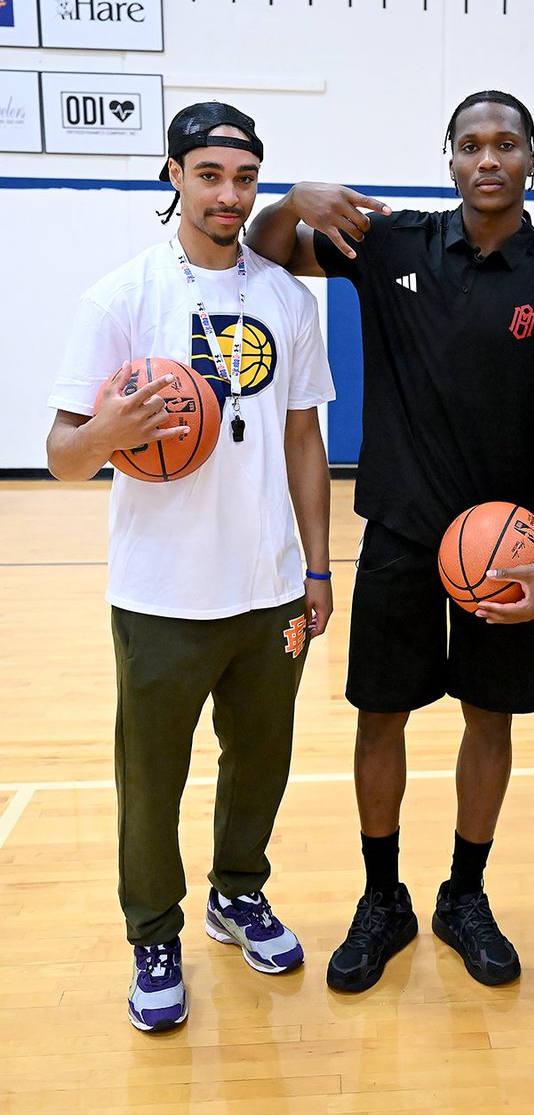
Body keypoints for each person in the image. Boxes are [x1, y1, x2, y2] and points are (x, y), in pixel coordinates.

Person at [246, 89, 534, 992]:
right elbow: (262, 253)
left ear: (531, 161)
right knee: (383, 717)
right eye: (471, 144)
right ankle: (382, 898)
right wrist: (289, 201)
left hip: (504, 545)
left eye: (507, 143)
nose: (489, 158)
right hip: (400, 533)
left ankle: (464, 896)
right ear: (448, 160)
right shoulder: (391, 244)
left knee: (492, 718)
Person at [47, 102, 336, 1031]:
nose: (228, 195)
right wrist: (108, 432)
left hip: (268, 588)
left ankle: (237, 891)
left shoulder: (289, 300)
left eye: (244, 179)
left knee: (261, 762)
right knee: (152, 775)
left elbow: (303, 441)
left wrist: (319, 567)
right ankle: (153, 934)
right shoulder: (123, 298)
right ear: (173, 175)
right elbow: (60, 454)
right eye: (210, 175)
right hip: (161, 592)